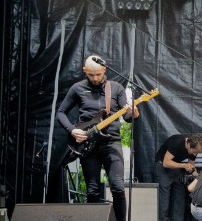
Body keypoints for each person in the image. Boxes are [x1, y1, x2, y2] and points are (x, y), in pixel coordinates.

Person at [56, 55, 139, 221]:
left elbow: (128, 118)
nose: (95, 78)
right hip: (88, 144)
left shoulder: (115, 88)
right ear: (85, 71)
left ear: (104, 70)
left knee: (117, 187)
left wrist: (133, 113)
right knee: (92, 190)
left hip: (111, 142)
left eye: (98, 75)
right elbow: (60, 112)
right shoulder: (77, 88)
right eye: (91, 75)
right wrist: (72, 130)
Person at [154, 134, 202, 221]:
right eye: (194, 151)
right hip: (162, 166)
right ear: (189, 145)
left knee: (179, 197)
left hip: (176, 167)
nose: (195, 154)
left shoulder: (194, 149)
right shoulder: (177, 142)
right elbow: (166, 163)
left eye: (197, 152)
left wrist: (198, 178)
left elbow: (191, 166)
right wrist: (183, 165)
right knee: (164, 199)